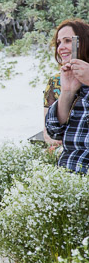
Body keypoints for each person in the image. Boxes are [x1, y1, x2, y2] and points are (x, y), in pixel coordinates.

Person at [45, 19, 89, 174]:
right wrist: (68, 92)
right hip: (65, 174)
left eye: (68, 41)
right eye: (58, 43)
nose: (60, 48)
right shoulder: (63, 80)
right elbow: (54, 131)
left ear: (83, 43)